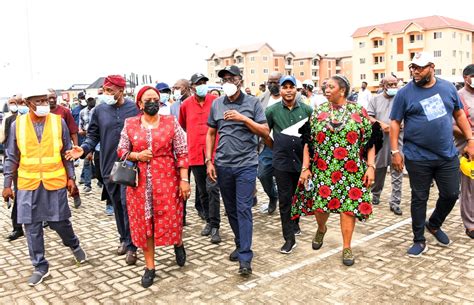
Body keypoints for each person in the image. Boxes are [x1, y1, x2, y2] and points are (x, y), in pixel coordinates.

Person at [390, 52, 474, 257]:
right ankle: (419, 239)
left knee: (451, 194)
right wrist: (395, 151)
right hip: (417, 156)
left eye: (419, 67)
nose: (415, 71)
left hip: (447, 154)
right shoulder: (404, 93)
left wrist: (471, 140)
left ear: (431, 67)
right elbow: (395, 122)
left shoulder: (447, 88)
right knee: (419, 198)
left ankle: (434, 224)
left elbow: (459, 114)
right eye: (413, 67)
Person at [2, 88, 86, 286]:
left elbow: (67, 152)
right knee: (31, 226)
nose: (43, 104)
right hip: (27, 183)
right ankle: (40, 266)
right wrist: (7, 184)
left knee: (59, 222)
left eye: (45, 100)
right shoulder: (17, 125)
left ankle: (73, 244)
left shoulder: (59, 122)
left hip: (54, 181)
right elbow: (12, 156)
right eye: (38, 101)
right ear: (28, 103)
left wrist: (71, 178)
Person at [294, 74, 379, 266]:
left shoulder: (359, 112)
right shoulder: (318, 112)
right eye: (325, 86)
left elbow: (370, 142)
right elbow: (308, 141)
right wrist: (305, 168)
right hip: (323, 169)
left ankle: (347, 247)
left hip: (351, 170)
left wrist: (371, 167)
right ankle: (321, 228)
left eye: (331, 86)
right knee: (320, 208)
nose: (326, 89)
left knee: (348, 209)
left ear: (342, 90)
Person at [117, 85, 189, 288]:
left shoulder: (171, 122)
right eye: (147, 99)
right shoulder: (130, 124)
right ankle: (150, 267)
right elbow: (121, 149)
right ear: (139, 103)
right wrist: (136, 155)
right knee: (145, 225)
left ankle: (178, 243)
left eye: (155, 99)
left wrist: (184, 180)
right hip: (139, 185)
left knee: (172, 217)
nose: (152, 102)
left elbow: (182, 152)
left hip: (167, 180)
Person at [65, 75, 140, 265]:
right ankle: (123, 238)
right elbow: (93, 135)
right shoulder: (99, 110)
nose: (106, 94)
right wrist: (84, 149)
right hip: (108, 166)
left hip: (130, 164)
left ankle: (132, 246)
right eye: (105, 90)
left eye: (110, 91)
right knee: (116, 204)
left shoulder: (134, 108)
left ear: (121, 91)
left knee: (126, 204)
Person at [206, 65, 269, 276]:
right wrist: (209, 161)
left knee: (243, 209)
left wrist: (244, 119)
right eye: (224, 79)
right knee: (231, 210)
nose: (227, 83)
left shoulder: (253, 103)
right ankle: (240, 243)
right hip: (223, 165)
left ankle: (245, 257)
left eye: (231, 78)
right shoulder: (216, 104)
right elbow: (211, 134)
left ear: (240, 80)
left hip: (246, 165)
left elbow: (265, 131)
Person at [265, 75, 312, 254]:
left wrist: (309, 165)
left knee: (298, 196)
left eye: (291, 87)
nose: (288, 90)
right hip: (281, 163)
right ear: (281, 90)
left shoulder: (307, 110)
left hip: (301, 162)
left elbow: (311, 138)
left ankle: (295, 222)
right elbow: (265, 134)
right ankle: (289, 238)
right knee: (285, 200)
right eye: (285, 87)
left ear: (296, 89)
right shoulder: (272, 111)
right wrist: (277, 147)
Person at [179, 73, 222, 243]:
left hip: (214, 152)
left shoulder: (215, 101)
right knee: (202, 190)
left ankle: (216, 226)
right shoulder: (186, 105)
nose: (202, 85)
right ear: (192, 87)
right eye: (198, 83)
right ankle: (209, 222)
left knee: (213, 189)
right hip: (195, 152)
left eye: (204, 82)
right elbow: (183, 124)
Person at [367, 75, 404, 215]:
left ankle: (395, 202)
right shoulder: (375, 100)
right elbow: (368, 116)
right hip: (380, 141)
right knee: (379, 170)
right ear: (383, 85)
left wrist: (399, 126)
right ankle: (375, 195)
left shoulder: (401, 99)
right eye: (390, 84)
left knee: (397, 171)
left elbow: (407, 116)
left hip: (398, 141)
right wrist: (380, 124)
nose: (394, 87)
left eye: (395, 84)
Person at [47, 89, 81, 208]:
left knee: (69, 175)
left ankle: (75, 193)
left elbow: (73, 131)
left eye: (53, 97)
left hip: (64, 150)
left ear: (56, 98)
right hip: (49, 153)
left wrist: (75, 148)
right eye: (49, 98)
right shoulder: (42, 114)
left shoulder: (64, 111)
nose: (51, 100)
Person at [453, 64, 474, 239]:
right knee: (468, 188)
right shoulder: (458, 97)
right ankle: (470, 224)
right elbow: (452, 125)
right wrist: (470, 136)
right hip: (466, 148)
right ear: (465, 77)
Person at [257, 72, 281, 215]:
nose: (273, 85)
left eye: (276, 82)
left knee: (285, 178)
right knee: (263, 174)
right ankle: (273, 196)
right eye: (270, 82)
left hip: (285, 144)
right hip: (266, 144)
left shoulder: (294, 97)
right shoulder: (261, 99)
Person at [1, 96, 24, 241]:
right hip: (18, 164)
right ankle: (17, 227)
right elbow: (3, 140)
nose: (18, 105)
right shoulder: (10, 120)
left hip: (40, 167)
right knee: (20, 195)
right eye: (15, 103)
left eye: (20, 102)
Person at [78, 96, 96, 193]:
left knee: (98, 162)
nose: (91, 101)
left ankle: (101, 181)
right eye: (89, 100)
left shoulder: (98, 111)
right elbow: (80, 127)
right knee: (87, 161)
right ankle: (87, 184)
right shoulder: (82, 112)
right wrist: (82, 131)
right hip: (87, 139)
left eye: (92, 99)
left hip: (98, 140)